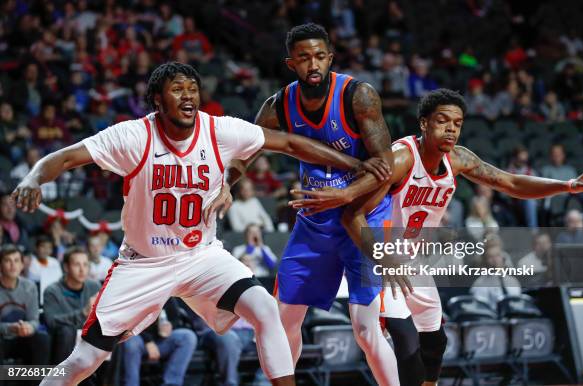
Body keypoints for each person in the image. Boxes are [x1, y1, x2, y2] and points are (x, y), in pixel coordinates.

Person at [13, 62, 388, 386]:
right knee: (85, 360)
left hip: (201, 256)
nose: (188, 95)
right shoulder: (133, 136)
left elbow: (288, 143)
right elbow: (64, 158)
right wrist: (33, 178)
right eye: (177, 90)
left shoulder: (218, 130)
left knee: (264, 308)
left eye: (193, 89)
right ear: (158, 100)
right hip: (145, 262)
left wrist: (355, 166)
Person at [291, 88, 583, 386]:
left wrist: (566, 185)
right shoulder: (400, 159)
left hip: (413, 258)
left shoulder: (458, 160)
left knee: (435, 341)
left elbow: (510, 183)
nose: (451, 130)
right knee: (405, 338)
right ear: (424, 123)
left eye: (457, 124)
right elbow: (352, 216)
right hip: (377, 255)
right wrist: (383, 258)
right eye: (442, 122)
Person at [219, 23, 400, 386]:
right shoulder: (278, 104)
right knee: (283, 319)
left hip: (362, 219)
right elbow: (247, 150)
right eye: (304, 58)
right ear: (291, 64)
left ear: (330, 58)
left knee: (366, 331)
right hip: (314, 223)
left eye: (319, 56)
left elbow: (386, 168)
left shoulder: (358, 96)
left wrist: (345, 195)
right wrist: (226, 185)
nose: (313, 64)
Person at [43, 246, 101, 364]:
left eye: (85, 265)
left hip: (88, 335)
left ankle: (107, 381)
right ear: (66, 267)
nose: (82, 270)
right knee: (67, 331)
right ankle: (61, 380)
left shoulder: (94, 286)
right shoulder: (52, 291)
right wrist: (83, 313)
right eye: (77, 265)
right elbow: (51, 321)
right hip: (63, 339)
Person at [122, 298, 197, 386]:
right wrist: (148, 341)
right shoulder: (139, 295)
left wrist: (170, 326)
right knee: (131, 341)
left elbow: (175, 318)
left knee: (187, 336)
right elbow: (130, 323)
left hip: (161, 341)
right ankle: (131, 383)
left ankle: (172, 383)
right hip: (140, 340)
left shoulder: (167, 295)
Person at [0, 245, 51, 369]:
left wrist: (29, 327)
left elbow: (34, 320)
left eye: (16, 261)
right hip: (2, 338)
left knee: (42, 339)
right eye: (8, 261)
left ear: (22, 265)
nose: (13, 265)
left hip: (22, 337)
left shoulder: (30, 286)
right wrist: (10, 328)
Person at [29, 234, 63, 304]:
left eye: (49, 247)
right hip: (36, 297)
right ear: (36, 247)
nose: (46, 250)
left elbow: (60, 279)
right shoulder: (31, 262)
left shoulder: (55, 262)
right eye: (43, 246)